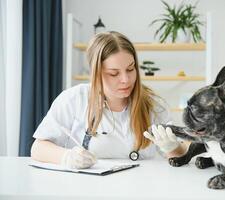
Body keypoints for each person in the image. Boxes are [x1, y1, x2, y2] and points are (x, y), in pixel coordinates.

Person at [31, 31, 187, 169]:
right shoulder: (73, 99)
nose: (126, 80)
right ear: (96, 73)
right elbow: (38, 148)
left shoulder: (154, 105)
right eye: (114, 73)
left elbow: (179, 157)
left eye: (130, 69)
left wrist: (172, 148)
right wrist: (67, 157)